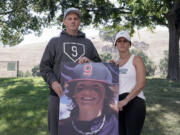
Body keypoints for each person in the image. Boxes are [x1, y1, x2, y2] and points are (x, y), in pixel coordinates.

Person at [40, 7, 101, 135]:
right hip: (58, 96)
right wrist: (53, 83)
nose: (73, 21)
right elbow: (45, 67)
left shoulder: (88, 43)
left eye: (76, 18)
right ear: (64, 22)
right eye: (70, 19)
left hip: (83, 98)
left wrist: (91, 62)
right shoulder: (54, 42)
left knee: (82, 131)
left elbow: (100, 66)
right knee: (57, 131)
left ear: (79, 22)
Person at [58, 63, 118, 135]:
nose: (87, 92)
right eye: (81, 86)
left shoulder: (117, 123)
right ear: (74, 92)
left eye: (95, 86)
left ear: (106, 93)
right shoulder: (61, 128)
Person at [110, 30, 146, 135]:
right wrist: (109, 69)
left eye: (125, 41)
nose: (122, 43)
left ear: (129, 44)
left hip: (134, 101)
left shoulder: (136, 59)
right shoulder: (114, 63)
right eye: (119, 41)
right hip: (119, 104)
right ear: (115, 44)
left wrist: (126, 100)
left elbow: (141, 83)